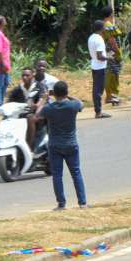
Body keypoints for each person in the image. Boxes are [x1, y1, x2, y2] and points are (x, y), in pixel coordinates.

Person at [37, 81, 88, 210]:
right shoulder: (72, 106)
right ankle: (82, 203)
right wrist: (69, 96)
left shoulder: (50, 108)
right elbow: (81, 103)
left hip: (55, 145)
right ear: (66, 92)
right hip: (71, 144)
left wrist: (44, 99)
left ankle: (61, 204)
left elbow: (37, 114)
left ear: (54, 94)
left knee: (57, 175)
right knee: (76, 173)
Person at [6, 67, 41, 149]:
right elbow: (9, 101)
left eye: (27, 75)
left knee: (30, 118)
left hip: (37, 115)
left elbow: (43, 99)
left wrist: (37, 105)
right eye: (23, 75)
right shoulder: (18, 89)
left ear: (33, 75)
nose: (25, 77)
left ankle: (29, 147)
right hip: (21, 116)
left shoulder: (39, 86)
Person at [88, 20, 111, 119]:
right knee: (98, 90)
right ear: (102, 28)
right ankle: (98, 112)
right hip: (100, 66)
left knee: (96, 88)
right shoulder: (99, 39)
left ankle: (98, 110)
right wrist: (109, 57)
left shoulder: (91, 37)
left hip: (94, 65)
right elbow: (100, 56)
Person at [101, 6, 122, 106]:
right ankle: (112, 96)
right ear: (111, 14)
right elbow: (112, 41)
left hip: (106, 53)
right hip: (112, 53)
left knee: (109, 74)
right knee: (114, 74)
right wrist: (118, 53)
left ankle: (111, 96)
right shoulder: (108, 25)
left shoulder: (101, 25)